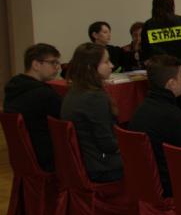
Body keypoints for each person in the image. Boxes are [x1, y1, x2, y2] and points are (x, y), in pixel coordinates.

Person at [128, 55, 181, 198]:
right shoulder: (175, 117)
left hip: (145, 181)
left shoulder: (141, 109)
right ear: (171, 83)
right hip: (169, 187)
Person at [60, 43, 122, 182]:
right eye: (106, 62)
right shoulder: (94, 97)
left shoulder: (75, 90)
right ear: (90, 67)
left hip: (86, 161)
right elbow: (107, 144)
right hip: (101, 167)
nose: (111, 65)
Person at [3, 43, 63, 172]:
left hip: (24, 157)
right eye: (53, 62)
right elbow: (65, 120)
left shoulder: (14, 86)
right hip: (46, 158)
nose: (57, 67)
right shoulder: (43, 94)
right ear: (36, 65)